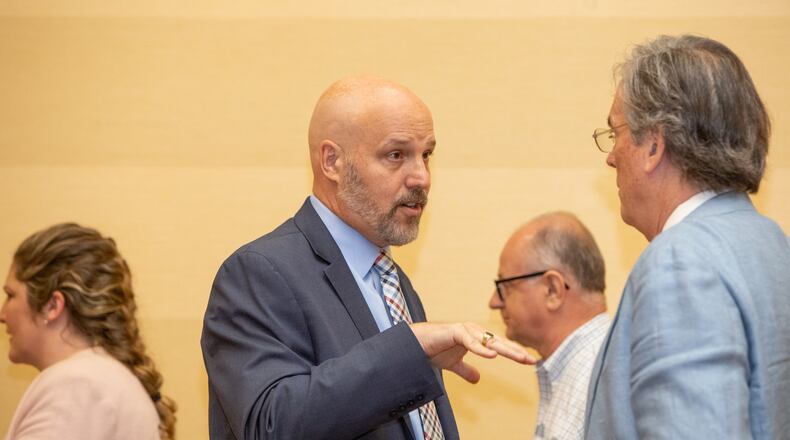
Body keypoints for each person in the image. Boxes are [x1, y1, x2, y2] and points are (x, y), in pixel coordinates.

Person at [201, 76, 532, 440]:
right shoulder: (259, 272)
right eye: (396, 155)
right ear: (332, 162)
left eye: (427, 155)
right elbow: (270, 425)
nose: (421, 177)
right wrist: (411, 347)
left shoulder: (392, 280)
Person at [585, 35, 790, 439]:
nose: (611, 156)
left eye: (616, 134)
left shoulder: (679, 262)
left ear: (654, 146)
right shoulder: (772, 244)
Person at [1, 223, 176, 440]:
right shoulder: (97, 379)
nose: (2, 314)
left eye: (11, 295)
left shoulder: (75, 387)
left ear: (52, 306)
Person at [489, 212, 609, 440]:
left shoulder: (602, 378)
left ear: (553, 290)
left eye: (505, 286)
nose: (494, 302)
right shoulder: (582, 367)